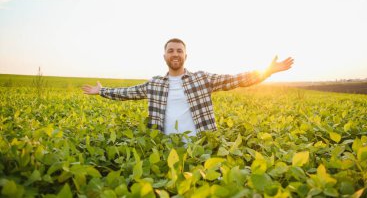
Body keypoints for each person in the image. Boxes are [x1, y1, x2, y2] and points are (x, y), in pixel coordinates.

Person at [82, 38, 294, 137]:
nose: (175, 54)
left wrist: (268, 71)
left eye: (179, 51)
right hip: (165, 147)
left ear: (185, 56)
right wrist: (102, 91)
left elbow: (236, 79)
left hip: (200, 146)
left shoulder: (202, 79)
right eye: (171, 51)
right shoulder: (155, 83)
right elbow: (127, 93)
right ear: (165, 56)